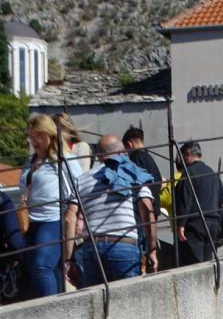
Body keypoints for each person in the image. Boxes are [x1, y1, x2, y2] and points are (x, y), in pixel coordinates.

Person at [63, 135, 158, 287]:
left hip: (91, 248)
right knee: (128, 304)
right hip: (124, 245)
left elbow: (69, 217)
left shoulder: (81, 180)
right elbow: (147, 209)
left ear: (97, 155)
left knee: (98, 306)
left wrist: (69, 259)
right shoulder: (133, 173)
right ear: (122, 152)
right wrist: (152, 250)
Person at [20, 114, 82, 297]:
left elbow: (77, 187)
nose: (34, 141)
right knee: (38, 268)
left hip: (53, 220)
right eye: (31, 137)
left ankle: (49, 311)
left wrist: (72, 212)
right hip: (31, 222)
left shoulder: (63, 159)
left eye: (39, 136)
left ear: (50, 135)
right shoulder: (29, 163)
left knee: (42, 265)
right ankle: (55, 303)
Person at [174, 141, 223, 265]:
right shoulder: (212, 172)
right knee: (207, 262)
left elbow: (184, 200)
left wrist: (181, 225)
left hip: (194, 224)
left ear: (188, 154)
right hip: (213, 223)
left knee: (193, 264)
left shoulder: (188, 173)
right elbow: (222, 198)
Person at [123, 126, 163, 219]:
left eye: (127, 150)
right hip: (154, 206)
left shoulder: (135, 159)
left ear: (130, 144)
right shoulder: (149, 158)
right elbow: (159, 180)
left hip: (143, 208)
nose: (127, 153)